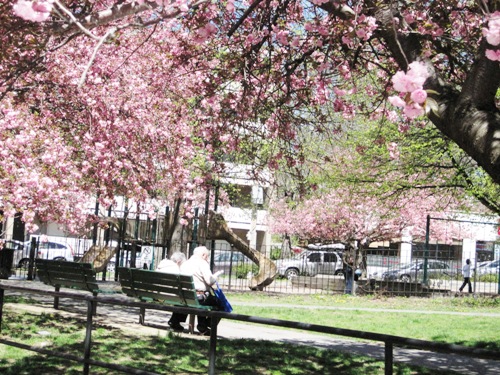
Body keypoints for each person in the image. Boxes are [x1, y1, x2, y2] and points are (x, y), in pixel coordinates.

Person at [180, 246, 223, 335]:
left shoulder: (185, 263)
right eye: (207, 256)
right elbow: (209, 281)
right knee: (221, 303)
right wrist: (215, 276)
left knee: (204, 299)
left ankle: (202, 326)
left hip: (186, 295)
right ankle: (205, 325)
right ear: (204, 255)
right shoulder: (202, 263)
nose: (207, 258)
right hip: (199, 296)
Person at [156, 252, 188, 331]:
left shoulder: (161, 266)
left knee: (182, 299)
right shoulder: (175, 269)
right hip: (168, 295)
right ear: (178, 261)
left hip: (157, 294)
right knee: (185, 300)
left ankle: (174, 321)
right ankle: (175, 322)